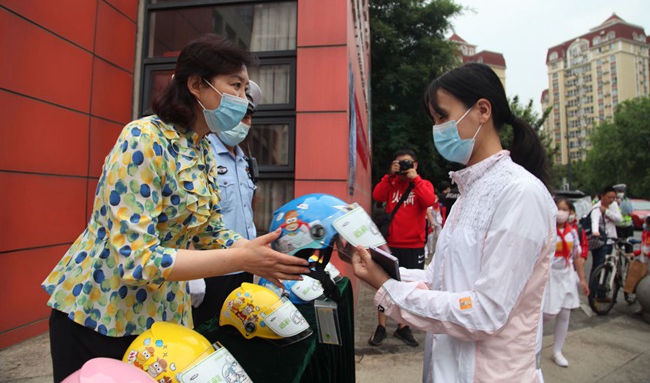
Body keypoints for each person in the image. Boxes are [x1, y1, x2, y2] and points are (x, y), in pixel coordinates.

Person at [41, 34, 310, 383]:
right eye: (236, 86)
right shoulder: (143, 139)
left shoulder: (201, 149)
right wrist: (241, 259)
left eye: (246, 89)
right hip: (100, 314)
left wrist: (257, 252)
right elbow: (137, 260)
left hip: (159, 317)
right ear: (196, 85)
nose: (244, 100)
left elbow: (209, 230)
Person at [352, 62, 556, 383]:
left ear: (483, 111)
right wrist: (377, 268)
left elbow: (485, 312)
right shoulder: (465, 196)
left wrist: (390, 289)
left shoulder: (521, 193)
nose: (437, 129)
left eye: (442, 117)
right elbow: (439, 278)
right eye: (434, 120)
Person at [190, 80, 262, 327]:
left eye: (247, 117)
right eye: (238, 116)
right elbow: (189, 215)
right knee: (206, 334)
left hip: (243, 266)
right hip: (210, 270)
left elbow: (247, 212)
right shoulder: (201, 152)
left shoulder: (244, 160)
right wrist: (192, 275)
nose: (242, 123)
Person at [368, 149, 435, 347]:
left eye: (407, 163)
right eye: (399, 163)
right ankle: (381, 326)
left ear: (415, 165)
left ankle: (403, 326)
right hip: (390, 244)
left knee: (409, 288)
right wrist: (389, 176)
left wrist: (415, 179)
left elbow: (429, 200)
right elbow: (377, 195)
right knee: (384, 284)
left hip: (414, 245)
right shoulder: (392, 183)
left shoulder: (423, 184)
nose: (404, 167)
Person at [543, 198, 589, 368]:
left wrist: (582, 280)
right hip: (549, 277)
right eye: (558, 208)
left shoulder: (573, 233)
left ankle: (557, 351)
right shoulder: (547, 230)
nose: (561, 212)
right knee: (546, 314)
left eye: (564, 209)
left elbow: (576, 257)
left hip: (566, 275)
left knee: (564, 314)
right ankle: (531, 345)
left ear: (570, 213)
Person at [589, 186, 623, 285]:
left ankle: (602, 290)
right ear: (602, 196)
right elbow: (594, 221)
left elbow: (619, 219)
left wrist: (607, 212)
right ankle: (594, 290)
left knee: (607, 266)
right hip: (600, 241)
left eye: (613, 197)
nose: (611, 200)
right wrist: (595, 232)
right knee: (598, 266)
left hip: (610, 240)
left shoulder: (614, 205)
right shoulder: (596, 208)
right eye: (609, 197)